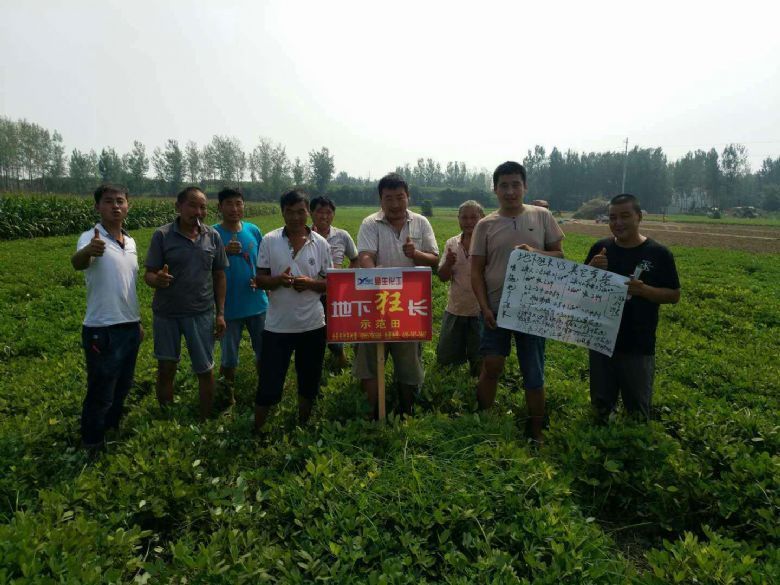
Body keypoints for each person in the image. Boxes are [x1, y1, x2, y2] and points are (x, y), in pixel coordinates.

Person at [470, 161, 565, 441]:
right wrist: (484, 307)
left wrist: (534, 253)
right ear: (495, 189)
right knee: (492, 365)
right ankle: (483, 421)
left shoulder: (542, 216)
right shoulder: (485, 225)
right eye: (504, 186)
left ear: (525, 187)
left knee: (533, 372)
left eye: (515, 185)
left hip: (533, 309)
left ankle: (536, 431)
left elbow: (559, 256)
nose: (510, 191)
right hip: (495, 308)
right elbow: (476, 270)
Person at [585, 193, 680, 421]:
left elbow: (674, 295)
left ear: (639, 217)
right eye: (612, 217)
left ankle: (634, 442)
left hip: (638, 344)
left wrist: (644, 290)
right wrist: (591, 269)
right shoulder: (600, 249)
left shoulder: (658, 253)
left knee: (637, 410)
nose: (618, 223)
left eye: (625, 216)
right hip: (600, 341)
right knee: (600, 407)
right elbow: (582, 289)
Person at [354, 172, 439, 418]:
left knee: (409, 362)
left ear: (408, 197)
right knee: (370, 361)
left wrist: (416, 254)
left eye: (399, 197)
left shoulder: (421, 223)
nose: (394, 204)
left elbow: (435, 259)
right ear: (380, 200)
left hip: (409, 306)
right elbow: (365, 255)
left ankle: (406, 413)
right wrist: (373, 274)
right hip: (375, 302)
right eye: (388, 198)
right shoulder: (370, 223)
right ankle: (373, 415)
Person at [144, 186, 228, 419]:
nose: (198, 212)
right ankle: (166, 419)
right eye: (192, 205)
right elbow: (149, 273)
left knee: (205, 369)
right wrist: (157, 279)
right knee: (166, 368)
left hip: (201, 313)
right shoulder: (162, 235)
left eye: (203, 207)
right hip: (166, 314)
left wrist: (220, 313)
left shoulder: (213, 236)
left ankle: (205, 418)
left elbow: (219, 275)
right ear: (178, 206)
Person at [71, 184, 142, 452]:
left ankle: (111, 430)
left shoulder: (131, 241)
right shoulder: (91, 238)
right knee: (101, 390)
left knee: (123, 385)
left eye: (120, 201)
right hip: (102, 328)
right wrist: (89, 251)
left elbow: (128, 286)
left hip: (129, 326)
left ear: (128, 206)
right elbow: (77, 262)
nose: (115, 206)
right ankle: (92, 442)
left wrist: (137, 322)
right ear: (97, 206)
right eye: (109, 201)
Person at [253, 189, 332, 433]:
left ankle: (303, 425)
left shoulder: (321, 244)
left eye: (300, 212)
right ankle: (258, 430)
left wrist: (310, 283)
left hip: (313, 325)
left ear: (308, 212)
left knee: (309, 379)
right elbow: (260, 279)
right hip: (277, 326)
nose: (296, 217)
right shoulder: (269, 240)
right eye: (290, 212)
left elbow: (331, 284)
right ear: (282, 212)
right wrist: (278, 280)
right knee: (269, 380)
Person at [213, 188, 268, 404]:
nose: (234, 208)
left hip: (257, 303)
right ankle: (227, 397)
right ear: (220, 207)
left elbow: (264, 262)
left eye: (238, 203)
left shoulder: (253, 230)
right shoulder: (212, 234)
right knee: (229, 357)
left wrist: (262, 281)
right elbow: (203, 265)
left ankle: (265, 390)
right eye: (229, 203)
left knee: (264, 351)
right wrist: (224, 252)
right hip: (228, 307)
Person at [436, 200, 485, 377]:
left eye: (473, 217)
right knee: (446, 359)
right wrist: (448, 263)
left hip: (481, 310)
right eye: (464, 217)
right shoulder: (452, 243)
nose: (469, 221)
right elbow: (442, 277)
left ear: (482, 218)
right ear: (458, 219)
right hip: (456, 308)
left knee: (480, 361)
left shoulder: (489, 243)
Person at [310, 195, 358, 369]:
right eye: (319, 212)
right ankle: (315, 361)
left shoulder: (342, 236)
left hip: (335, 294)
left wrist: (346, 279)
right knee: (314, 329)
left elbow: (355, 258)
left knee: (334, 327)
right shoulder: (303, 236)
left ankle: (340, 355)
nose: (324, 216)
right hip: (310, 292)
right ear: (311, 213)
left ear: (333, 214)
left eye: (328, 212)